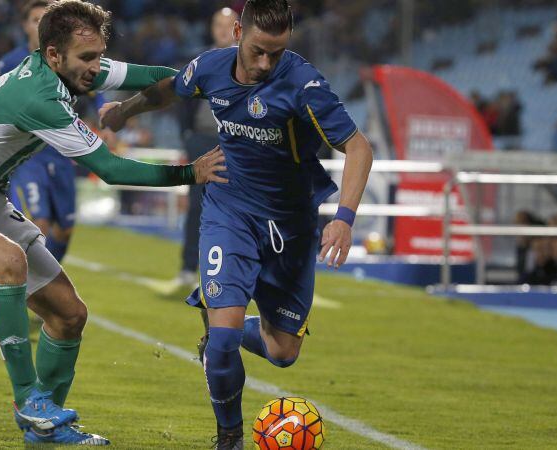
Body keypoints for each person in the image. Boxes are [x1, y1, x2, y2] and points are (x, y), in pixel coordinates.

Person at [0, 1, 226, 445]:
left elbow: (153, 76)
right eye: (87, 59)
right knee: (9, 262)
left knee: (70, 315)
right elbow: (111, 170)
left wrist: (201, 79)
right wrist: (189, 173)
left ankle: (45, 429)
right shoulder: (39, 96)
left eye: (98, 56)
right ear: (54, 55)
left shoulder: (73, 64)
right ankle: (27, 398)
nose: (96, 68)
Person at [100, 1, 373, 447]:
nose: (266, 63)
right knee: (223, 342)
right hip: (230, 212)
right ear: (238, 31)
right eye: (259, 50)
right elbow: (170, 90)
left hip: (291, 225)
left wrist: (344, 218)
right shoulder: (210, 67)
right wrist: (124, 110)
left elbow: (359, 148)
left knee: (283, 352)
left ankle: (227, 324)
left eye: (277, 53)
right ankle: (229, 436)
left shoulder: (304, 84)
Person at [0, 0, 105, 262]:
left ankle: (47, 281)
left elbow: (94, 91)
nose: (39, 25)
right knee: (37, 223)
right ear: (25, 26)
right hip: (28, 156)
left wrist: (105, 118)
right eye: (35, 20)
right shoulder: (10, 62)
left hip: (62, 154)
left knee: (64, 230)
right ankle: (27, 285)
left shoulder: (67, 58)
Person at [175, 7, 239, 287]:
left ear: (238, 28)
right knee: (197, 206)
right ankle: (189, 267)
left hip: (237, 142)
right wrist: (187, 136)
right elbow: (182, 98)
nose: (223, 30)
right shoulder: (199, 61)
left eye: (228, 25)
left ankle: (234, 269)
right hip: (202, 140)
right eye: (218, 24)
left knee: (238, 207)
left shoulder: (250, 63)